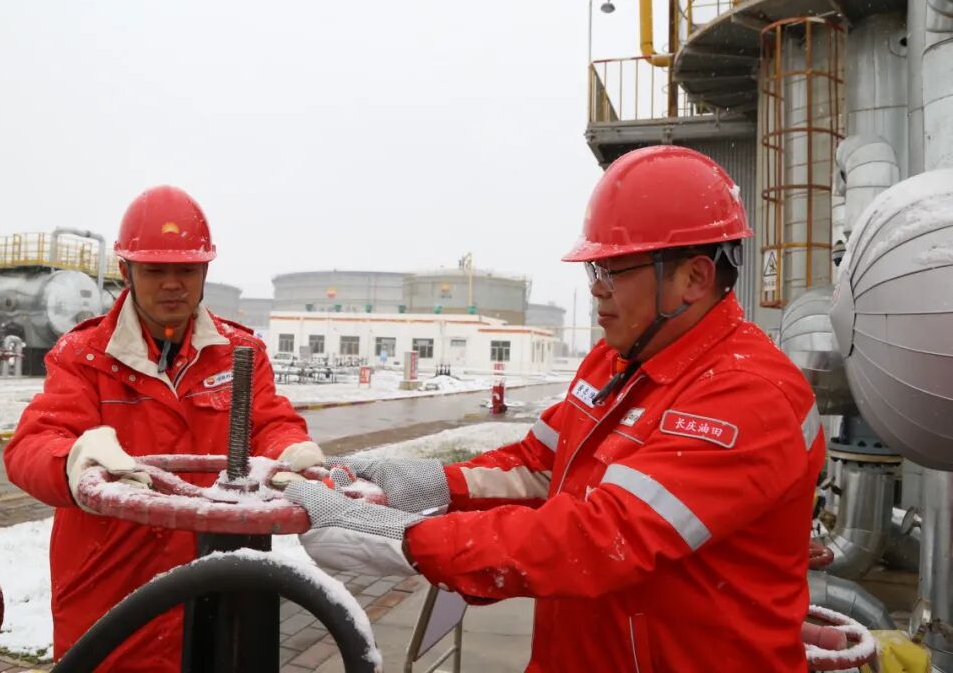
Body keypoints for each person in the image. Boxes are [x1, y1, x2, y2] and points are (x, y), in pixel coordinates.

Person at [287, 146, 827, 672]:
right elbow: (541, 466)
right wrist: (429, 483)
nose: (597, 292)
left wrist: (400, 537)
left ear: (694, 278)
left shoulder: (749, 395)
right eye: (593, 271)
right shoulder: (615, 359)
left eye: (613, 270)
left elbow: (602, 539)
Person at [3, 185, 324, 672]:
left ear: (205, 272)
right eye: (155, 270)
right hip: (112, 592)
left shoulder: (240, 353)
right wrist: (74, 460)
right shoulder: (84, 356)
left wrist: (291, 448)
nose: (173, 284)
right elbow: (32, 444)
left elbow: (269, 423)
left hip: (218, 587)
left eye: (187, 270)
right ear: (125, 271)